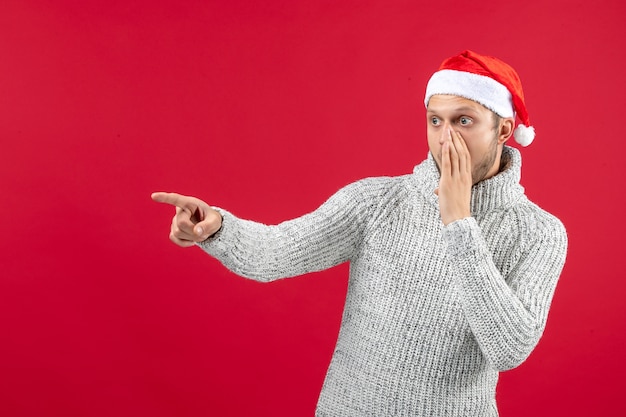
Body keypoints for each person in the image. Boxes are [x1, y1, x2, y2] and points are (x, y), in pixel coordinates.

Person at [152, 50, 568, 416]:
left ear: (503, 130)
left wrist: (459, 222)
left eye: (464, 121)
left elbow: (509, 349)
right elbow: (274, 254)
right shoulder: (375, 203)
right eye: (435, 120)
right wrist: (216, 228)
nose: (446, 139)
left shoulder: (540, 233)